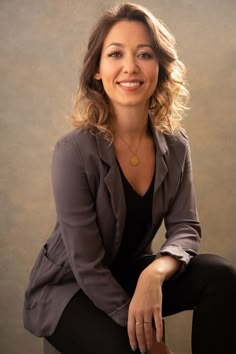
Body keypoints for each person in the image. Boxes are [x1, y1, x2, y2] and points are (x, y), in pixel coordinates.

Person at [23, 3, 236, 354]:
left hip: (133, 273)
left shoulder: (176, 145)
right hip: (69, 287)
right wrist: (149, 337)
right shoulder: (73, 152)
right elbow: (87, 265)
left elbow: (185, 227)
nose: (130, 67)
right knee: (131, 349)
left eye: (144, 53)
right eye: (115, 53)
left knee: (222, 277)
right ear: (96, 69)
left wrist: (155, 274)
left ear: (160, 67)